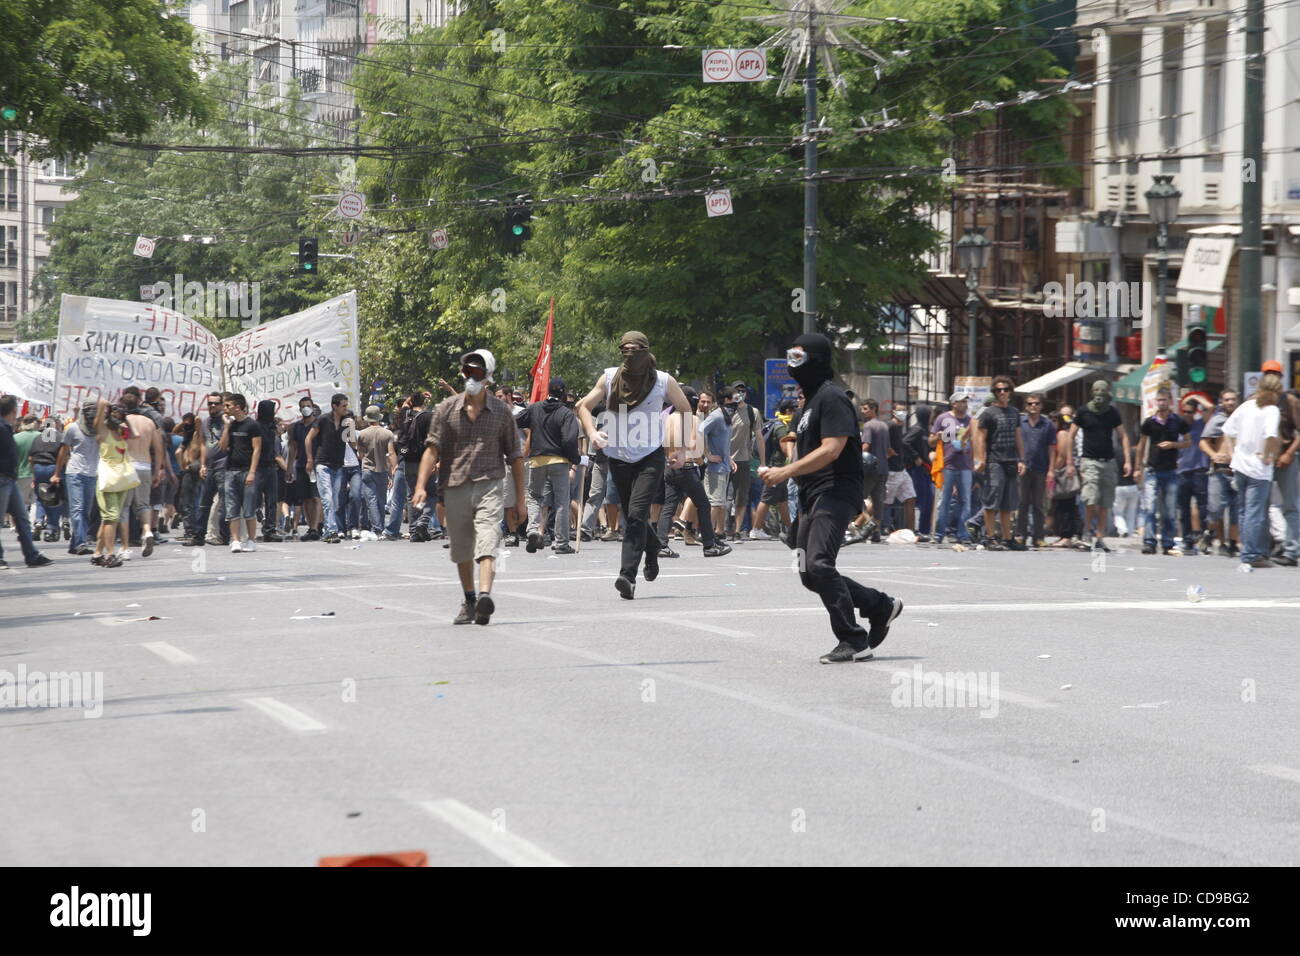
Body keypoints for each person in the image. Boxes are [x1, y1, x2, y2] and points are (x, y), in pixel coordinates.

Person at [760, 333, 902, 664]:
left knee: (822, 564)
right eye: (789, 357)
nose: (792, 365)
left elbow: (832, 449)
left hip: (836, 490)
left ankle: (854, 640)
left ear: (817, 361)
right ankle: (879, 605)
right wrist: (783, 469)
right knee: (810, 573)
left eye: (798, 358)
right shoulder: (806, 405)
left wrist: (785, 471)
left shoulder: (833, 398)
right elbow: (799, 447)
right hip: (811, 495)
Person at [576, 331, 693, 600]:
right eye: (624, 349)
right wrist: (592, 432)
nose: (630, 354)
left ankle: (627, 576)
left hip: (649, 457)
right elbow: (584, 406)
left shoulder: (663, 381)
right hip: (618, 456)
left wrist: (684, 449)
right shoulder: (608, 377)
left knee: (637, 514)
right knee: (633, 516)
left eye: (635, 349)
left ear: (645, 350)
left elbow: (686, 409)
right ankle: (652, 549)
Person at [412, 349, 526, 625]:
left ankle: (485, 595)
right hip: (455, 486)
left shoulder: (501, 413)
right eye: (467, 372)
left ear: (488, 376)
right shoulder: (446, 409)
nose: (471, 376)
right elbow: (431, 450)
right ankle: (471, 599)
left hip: (490, 485)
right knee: (462, 549)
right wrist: (420, 485)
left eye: (477, 372)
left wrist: (521, 500)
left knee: (487, 540)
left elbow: (516, 456)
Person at [1221, 372, 1283, 568]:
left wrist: (1233, 454)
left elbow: (1227, 430)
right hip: (1258, 469)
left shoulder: (1247, 406)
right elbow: (1272, 436)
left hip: (1240, 465)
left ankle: (1246, 549)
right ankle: (1251, 554)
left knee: (1243, 511)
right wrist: (1268, 455)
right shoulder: (1271, 410)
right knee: (1255, 513)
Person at [1064, 382, 1130, 552]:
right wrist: (1070, 462)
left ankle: (1099, 537)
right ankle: (1087, 533)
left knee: (1105, 501)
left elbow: (1123, 436)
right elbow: (1070, 436)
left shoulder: (1112, 412)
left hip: (1108, 462)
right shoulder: (1083, 411)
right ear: (1092, 392)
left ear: (1107, 393)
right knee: (1090, 498)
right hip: (1089, 461)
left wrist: (1128, 460)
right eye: (1096, 390)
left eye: (1103, 390)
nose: (1099, 393)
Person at [519, 377, 580, 555]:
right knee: (561, 502)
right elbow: (569, 439)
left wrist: (533, 422)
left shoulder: (535, 408)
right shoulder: (566, 413)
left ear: (548, 391)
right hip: (559, 462)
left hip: (537, 461)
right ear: (563, 394)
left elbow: (517, 420)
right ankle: (561, 543)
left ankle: (532, 531)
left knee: (534, 497)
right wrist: (575, 459)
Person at [973, 375, 1026, 551]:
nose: (1002, 392)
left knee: (1008, 503)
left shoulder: (1014, 412)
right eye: (998, 390)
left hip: (1011, 461)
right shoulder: (988, 413)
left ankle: (1007, 538)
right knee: (992, 501)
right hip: (994, 461)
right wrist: (981, 459)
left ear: (1010, 391)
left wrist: (1022, 459)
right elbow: (981, 438)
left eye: (1005, 389)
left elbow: (1018, 437)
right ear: (994, 393)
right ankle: (989, 538)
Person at [0, 396, 53, 570]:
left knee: (22, 518)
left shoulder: (8, 428)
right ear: (14, 411)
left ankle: (32, 555)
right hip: (3, 479)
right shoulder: (2, 428)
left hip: (12, 479)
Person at [1136, 388, 1190, 555]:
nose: (1161, 403)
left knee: (1169, 510)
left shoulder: (1178, 421)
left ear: (1170, 402)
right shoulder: (1149, 422)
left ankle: (1168, 542)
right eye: (1158, 400)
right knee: (1150, 508)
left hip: (1171, 471)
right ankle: (1149, 542)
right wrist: (1138, 467)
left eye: (1164, 400)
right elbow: (1142, 444)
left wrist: (1173, 445)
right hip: (1152, 469)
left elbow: (1188, 442)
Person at [89, 398, 139, 568]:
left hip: (122, 479)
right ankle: (109, 554)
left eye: (121, 413)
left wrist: (126, 421)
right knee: (111, 516)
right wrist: (104, 406)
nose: (118, 416)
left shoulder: (121, 431)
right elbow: (97, 422)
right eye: (116, 413)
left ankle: (97, 553)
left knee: (110, 518)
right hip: (108, 477)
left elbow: (135, 435)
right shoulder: (104, 431)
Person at [306, 392, 357, 544]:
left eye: (347, 406)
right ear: (334, 406)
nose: (346, 409)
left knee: (335, 500)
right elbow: (308, 439)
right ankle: (332, 531)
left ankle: (328, 531)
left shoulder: (347, 421)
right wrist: (310, 459)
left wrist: (351, 429)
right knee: (327, 498)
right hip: (323, 464)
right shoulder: (322, 420)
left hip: (339, 465)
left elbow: (353, 444)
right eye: (343, 406)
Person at [52, 402, 100, 556]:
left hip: (92, 475)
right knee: (77, 509)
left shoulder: (101, 430)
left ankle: (75, 544)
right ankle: (80, 543)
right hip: (75, 473)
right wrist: (57, 473)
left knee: (85, 511)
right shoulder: (73, 428)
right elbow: (63, 451)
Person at [218, 393, 263, 553]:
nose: (225, 409)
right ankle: (235, 540)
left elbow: (257, 449)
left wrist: (252, 472)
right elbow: (223, 447)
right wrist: (226, 427)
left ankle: (251, 540)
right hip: (230, 471)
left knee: (249, 508)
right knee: (232, 508)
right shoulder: (231, 425)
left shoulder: (252, 425)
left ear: (237, 406)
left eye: (228, 405)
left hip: (246, 471)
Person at [1266, 360, 1300, 567]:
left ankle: (1291, 550)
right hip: (1263, 460)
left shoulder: (1289, 400)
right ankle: (1266, 546)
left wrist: (1288, 453)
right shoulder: (1257, 400)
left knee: (1290, 505)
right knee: (1260, 505)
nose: (1272, 376)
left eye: (1275, 373)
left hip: (1286, 458)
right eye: (1268, 373)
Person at [1199, 389, 1240, 556]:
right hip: (1219, 470)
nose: (1230, 402)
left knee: (1236, 511)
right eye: (1227, 399)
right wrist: (1214, 455)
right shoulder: (1217, 420)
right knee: (1215, 508)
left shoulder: (1242, 419)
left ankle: (1231, 544)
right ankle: (1209, 534)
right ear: (1221, 402)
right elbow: (1203, 442)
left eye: (1233, 399)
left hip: (1238, 470)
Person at [930, 393, 973, 545]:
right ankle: (939, 533)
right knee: (945, 501)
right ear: (954, 403)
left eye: (966, 402)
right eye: (961, 402)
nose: (965, 404)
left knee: (965, 501)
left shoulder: (970, 420)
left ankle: (963, 534)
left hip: (966, 465)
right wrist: (939, 437)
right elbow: (931, 441)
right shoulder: (943, 418)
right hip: (947, 465)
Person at [752, 398, 796, 540]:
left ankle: (790, 530)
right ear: (788, 411)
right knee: (766, 498)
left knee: (782, 500)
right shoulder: (781, 427)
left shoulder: (778, 423)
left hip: (779, 468)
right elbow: (785, 448)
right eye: (794, 410)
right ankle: (756, 529)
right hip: (776, 468)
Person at [1015, 392, 1055, 547]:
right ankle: (1020, 535)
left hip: (1041, 468)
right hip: (1023, 467)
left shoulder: (1048, 424)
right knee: (1022, 503)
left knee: (1038, 505)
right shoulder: (1020, 422)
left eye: (1036, 403)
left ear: (1041, 406)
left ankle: (1039, 537)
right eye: (1030, 403)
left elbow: (1052, 448)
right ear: (1026, 406)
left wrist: (1051, 470)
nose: (1033, 406)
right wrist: (1018, 461)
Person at [849, 398, 890, 542]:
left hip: (869, 469)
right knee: (878, 502)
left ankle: (862, 524)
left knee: (857, 498)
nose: (863, 411)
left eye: (865, 409)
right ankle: (876, 531)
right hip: (883, 469)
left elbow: (866, 445)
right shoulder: (884, 426)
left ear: (873, 409)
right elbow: (888, 450)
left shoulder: (868, 426)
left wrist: (853, 458)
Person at [1175, 394, 1212, 556]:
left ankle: (1204, 537)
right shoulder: (1176, 427)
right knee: (1183, 509)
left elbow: (1211, 408)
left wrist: (1196, 397)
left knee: (1204, 507)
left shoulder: (1201, 424)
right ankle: (1187, 540)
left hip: (1199, 470)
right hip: (1182, 472)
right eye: (1185, 411)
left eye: (1190, 412)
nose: (1187, 414)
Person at [356, 404, 398, 538]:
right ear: (379, 417)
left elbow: (360, 455)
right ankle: (381, 526)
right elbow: (391, 453)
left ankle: (377, 528)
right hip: (382, 470)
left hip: (368, 469)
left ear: (368, 419)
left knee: (371, 500)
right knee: (381, 499)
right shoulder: (387, 433)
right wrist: (394, 469)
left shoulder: (362, 434)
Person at [253, 400, 285, 542]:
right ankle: (254, 525)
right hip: (258, 467)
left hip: (271, 467)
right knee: (254, 499)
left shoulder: (272, 427)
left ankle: (270, 530)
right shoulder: (256, 427)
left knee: (272, 500)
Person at [903, 404, 934, 542]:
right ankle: (919, 530)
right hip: (916, 470)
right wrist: (916, 457)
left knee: (929, 500)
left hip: (925, 469)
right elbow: (905, 442)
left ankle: (924, 530)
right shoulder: (917, 429)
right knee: (922, 500)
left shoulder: (926, 430)